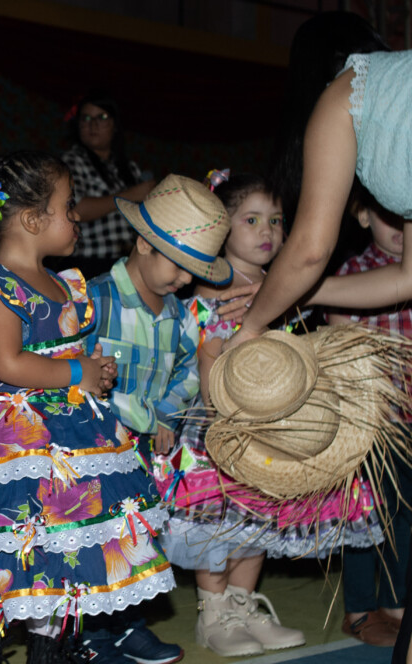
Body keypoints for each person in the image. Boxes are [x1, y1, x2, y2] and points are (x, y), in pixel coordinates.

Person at [0, 150, 176, 664]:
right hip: (13, 448)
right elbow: (8, 363)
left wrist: (92, 370)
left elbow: (65, 352)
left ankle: (49, 649)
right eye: (68, 207)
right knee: (4, 544)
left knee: (58, 548)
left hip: (68, 441)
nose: (76, 217)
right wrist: (76, 373)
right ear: (31, 219)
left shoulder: (65, 283)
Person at [155, 173, 324, 657]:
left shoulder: (284, 288)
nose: (266, 230)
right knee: (216, 522)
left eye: (276, 220)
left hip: (267, 426)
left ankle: (243, 605)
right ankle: (214, 614)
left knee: (257, 520)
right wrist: (222, 417)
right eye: (251, 220)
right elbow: (205, 357)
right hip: (217, 427)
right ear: (222, 228)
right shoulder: (213, 289)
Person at [80, 173, 235, 663]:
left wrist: (167, 414)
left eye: (194, 271)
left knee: (138, 535)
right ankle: (89, 635)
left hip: (146, 448)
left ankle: (128, 625)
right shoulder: (94, 300)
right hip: (94, 445)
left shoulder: (180, 316)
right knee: (95, 537)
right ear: (144, 243)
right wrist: (106, 413)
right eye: (179, 265)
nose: (186, 280)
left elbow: (189, 369)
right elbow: (72, 368)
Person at [230, 13, 412, 348]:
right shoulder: (397, 93)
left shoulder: (345, 90)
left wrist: (251, 326)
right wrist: (297, 293)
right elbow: (408, 277)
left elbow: (310, 251)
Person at [327, 182, 412, 649]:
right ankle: (360, 609)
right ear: (363, 217)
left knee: (405, 514)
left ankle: (395, 603)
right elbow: (339, 345)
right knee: (362, 513)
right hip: (373, 422)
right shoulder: (353, 273)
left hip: (410, 420)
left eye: (407, 218)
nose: (400, 228)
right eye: (387, 216)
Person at [62, 92, 156, 278]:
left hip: (128, 263)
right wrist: (130, 195)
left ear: (115, 125)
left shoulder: (129, 168)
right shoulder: (71, 162)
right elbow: (76, 209)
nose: (93, 125)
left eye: (102, 117)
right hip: (89, 263)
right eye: (86, 118)